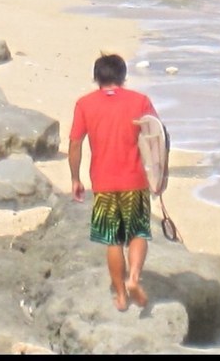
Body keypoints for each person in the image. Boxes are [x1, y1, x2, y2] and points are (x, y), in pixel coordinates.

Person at [68, 53, 158, 312]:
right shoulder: (140, 101)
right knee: (138, 233)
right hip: (135, 180)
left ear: (97, 78)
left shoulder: (85, 104)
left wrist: (76, 179)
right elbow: (156, 139)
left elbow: (75, 143)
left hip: (104, 183)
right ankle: (133, 278)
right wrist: (158, 178)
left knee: (113, 240)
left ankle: (120, 295)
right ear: (123, 77)